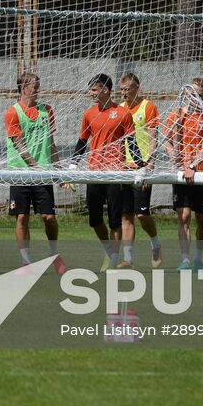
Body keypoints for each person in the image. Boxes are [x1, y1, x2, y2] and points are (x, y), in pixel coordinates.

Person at [4, 71, 64, 272]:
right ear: (23, 88)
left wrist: (58, 170)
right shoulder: (12, 112)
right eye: (34, 86)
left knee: (49, 217)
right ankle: (26, 261)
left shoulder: (47, 110)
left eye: (39, 85)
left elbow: (51, 143)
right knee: (22, 217)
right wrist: (34, 165)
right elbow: (19, 144)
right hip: (20, 173)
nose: (38, 89)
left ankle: (54, 254)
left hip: (42, 174)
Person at [73, 73, 130, 270]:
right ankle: (109, 251)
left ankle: (113, 258)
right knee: (95, 220)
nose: (92, 94)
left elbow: (131, 142)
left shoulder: (122, 113)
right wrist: (73, 165)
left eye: (95, 90)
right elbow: (82, 140)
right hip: (94, 172)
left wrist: (140, 166)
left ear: (106, 90)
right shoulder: (89, 113)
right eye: (91, 90)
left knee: (115, 220)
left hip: (115, 173)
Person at [163, 77, 203, 272]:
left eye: (201, 95)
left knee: (201, 218)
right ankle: (185, 259)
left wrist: (192, 165)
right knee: (184, 215)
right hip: (180, 172)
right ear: (187, 95)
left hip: (200, 172)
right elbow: (167, 141)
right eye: (194, 95)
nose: (197, 99)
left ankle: (198, 259)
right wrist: (173, 156)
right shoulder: (176, 115)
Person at [118, 72, 163, 268]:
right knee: (126, 214)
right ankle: (128, 259)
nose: (124, 93)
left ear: (137, 89)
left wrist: (150, 162)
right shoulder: (119, 109)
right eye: (122, 90)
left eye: (128, 89)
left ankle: (156, 245)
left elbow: (154, 135)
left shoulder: (148, 107)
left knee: (142, 214)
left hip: (142, 167)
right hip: (124, 167)